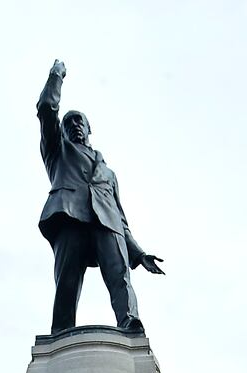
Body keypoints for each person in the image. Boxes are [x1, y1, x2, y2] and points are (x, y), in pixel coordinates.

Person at [37, 60, 165, 335]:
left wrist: (138, 252)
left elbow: (121, 216)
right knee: (67, 283)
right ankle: (60, 334)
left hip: (107, 224)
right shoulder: (57, 152)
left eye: (79, 121)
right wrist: (56, 75)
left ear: (89, 128)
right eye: (68, 122)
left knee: (120, 276)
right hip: (70, 216)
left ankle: (130, 321)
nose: (74, 125)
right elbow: (47, 109)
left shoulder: (108, 172)